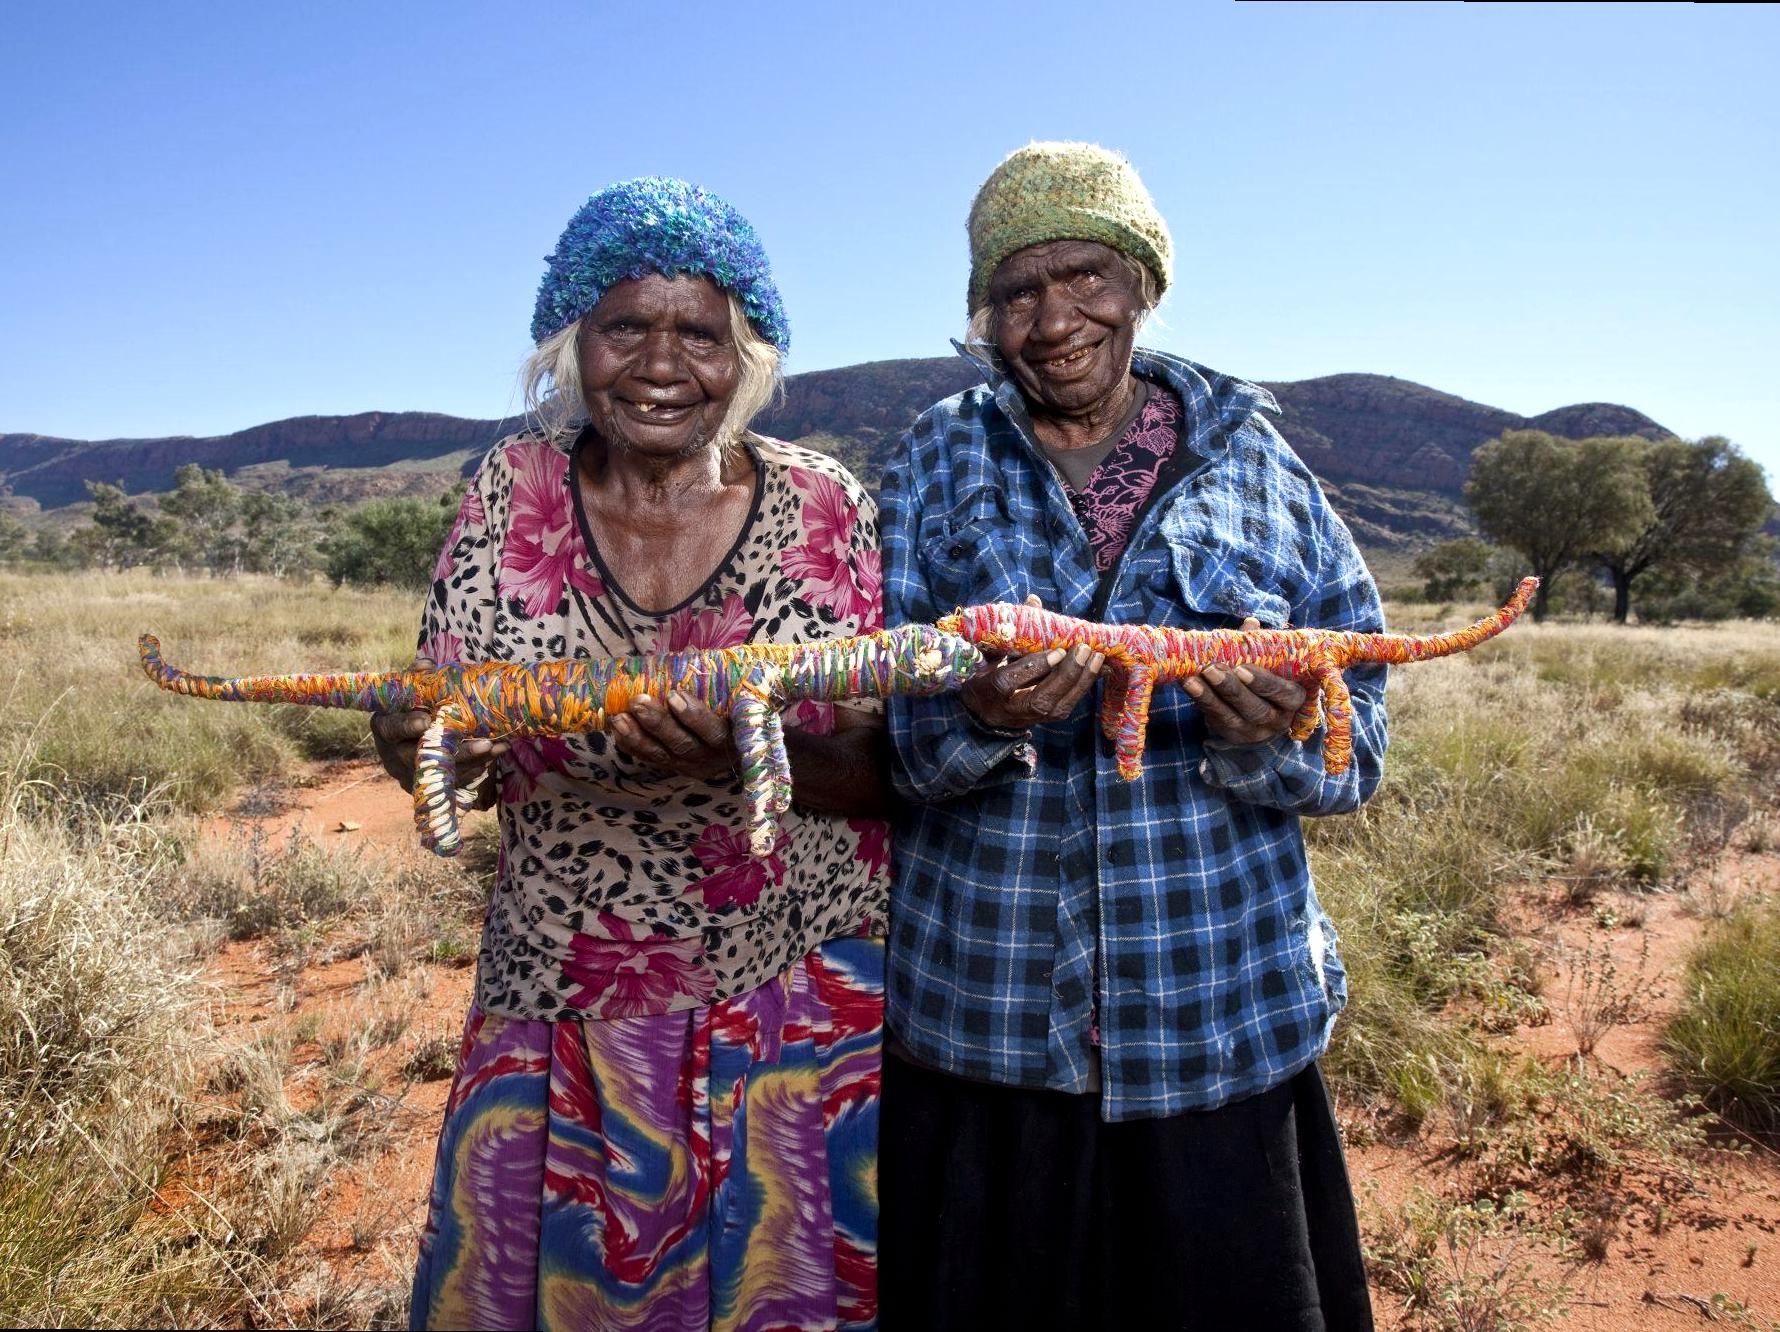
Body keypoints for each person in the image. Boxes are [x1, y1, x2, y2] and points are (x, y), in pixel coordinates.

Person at [877, 142, 1385, 1331]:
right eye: (1016, 291)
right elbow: (874, 735)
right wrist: (976, 717)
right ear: (986, 315)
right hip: (989, 1023)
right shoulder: (933, 461)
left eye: (1087, 275)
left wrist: (1282, 736)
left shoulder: (1258, 467)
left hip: (1218, 1020)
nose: (1055, 318)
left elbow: (1361, 733)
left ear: (1144, 281)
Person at [374, 178, 891, 1332]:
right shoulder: (509, 495)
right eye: (623, 328)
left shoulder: (824, 507)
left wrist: (746, 764)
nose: (661, 364)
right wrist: (420, 746)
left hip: (789, 987)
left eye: (698, 333)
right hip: (566, 981)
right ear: (570, 344)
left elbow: (881, 771)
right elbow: (446, 733)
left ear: (745, 353)